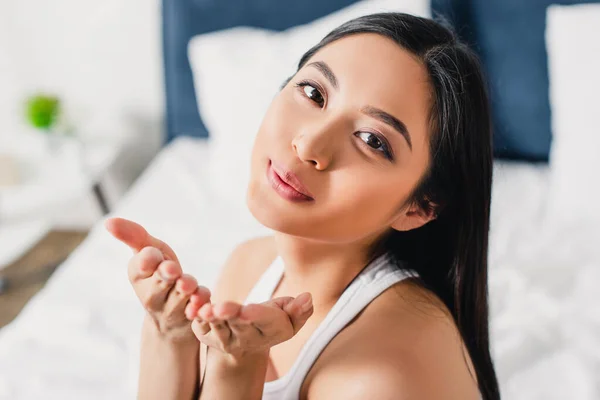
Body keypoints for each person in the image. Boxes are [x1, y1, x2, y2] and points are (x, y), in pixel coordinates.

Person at [105, 12, 500, 400]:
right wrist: (169, 332)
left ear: (418, 208)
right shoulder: (250, 264)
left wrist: (238, 365)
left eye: (371, 140)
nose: (309, 145)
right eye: (314, 94)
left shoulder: (383, 376)